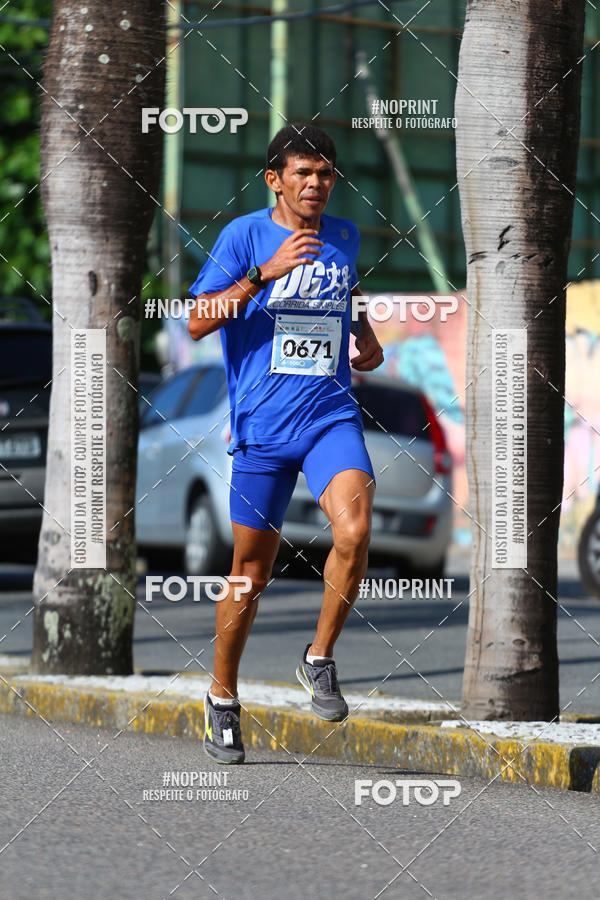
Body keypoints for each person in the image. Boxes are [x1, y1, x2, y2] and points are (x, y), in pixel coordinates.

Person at [188, 123, 384, 763]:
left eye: (326, 173)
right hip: (262, 430)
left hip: (329, 415)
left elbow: (346, 289)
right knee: (250, 573)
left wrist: (365, 334)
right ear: (275, 179)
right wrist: (260, 275)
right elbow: (195, 321)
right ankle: (221, 696)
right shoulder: (242, 236)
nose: (316, 184)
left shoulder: (345, 236)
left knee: (354, 533)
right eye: (303, 172)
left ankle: (319, 657)